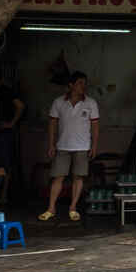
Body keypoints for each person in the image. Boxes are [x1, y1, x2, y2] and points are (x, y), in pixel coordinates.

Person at [41, 71, 98, 222]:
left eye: (85, 83)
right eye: (80, 83)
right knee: (57, 177)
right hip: (62, 146)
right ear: (70, 85)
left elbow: (95, 126)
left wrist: (94, 146)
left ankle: (73, 208)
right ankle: (51, 208)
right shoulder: (58, 102)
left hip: (82, 146)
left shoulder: (91, 103)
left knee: (78, 177)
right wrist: (51, 144)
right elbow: (52, 124)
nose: (83, 86)